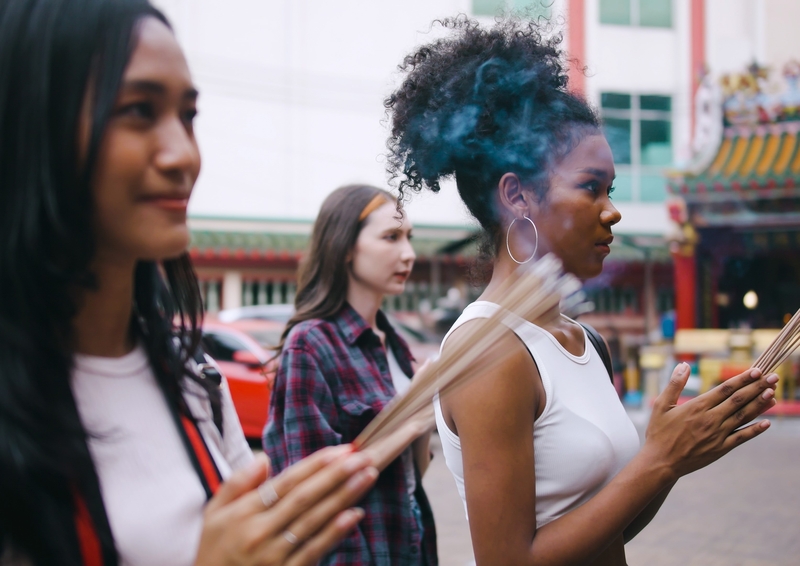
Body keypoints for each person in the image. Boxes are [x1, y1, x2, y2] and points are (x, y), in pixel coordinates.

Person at [0, 1, 399, 564]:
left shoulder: (195, 383)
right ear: (36, 123)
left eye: (188, 115)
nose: (184, 155)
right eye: (139, 110)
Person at [384, 16, 779, 566]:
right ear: (518, 197)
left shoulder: (586, 341)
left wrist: (676, 454)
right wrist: (658, 461)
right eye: (590, 187)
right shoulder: (491, 352)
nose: (613, 211)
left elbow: (607, 524)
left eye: (610, 189)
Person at [265, 185, 438, 565]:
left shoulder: (395, 346)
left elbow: (411, 477)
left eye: (409, 237)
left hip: (409, 543)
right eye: (390, 237)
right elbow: (309, 496)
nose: (408, 254)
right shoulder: (310, 345)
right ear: (345, 247)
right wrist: (408, 422)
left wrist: (423, 416)